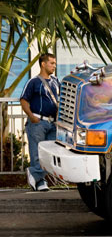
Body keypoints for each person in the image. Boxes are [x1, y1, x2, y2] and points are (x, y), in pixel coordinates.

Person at [20, 53, 60, 191]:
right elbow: (24, 100)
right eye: (52, 63)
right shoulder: (33, 82)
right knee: (36, 152)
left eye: (55, 63)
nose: (54, 66)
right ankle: (40, 181)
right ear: (43, 64)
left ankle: (35, 174)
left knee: (49, 153)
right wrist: (31, 117)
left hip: (52, 123)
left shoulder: (55, 81)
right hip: (38, 122)